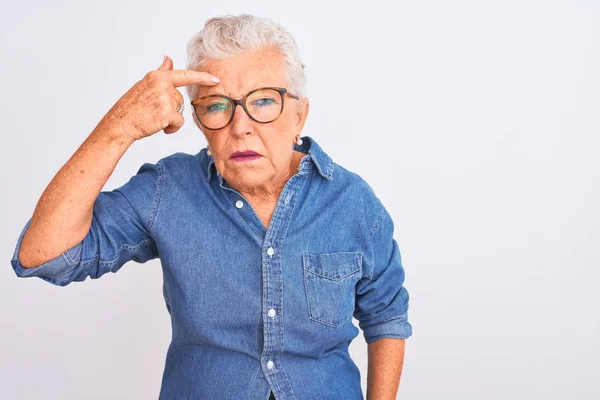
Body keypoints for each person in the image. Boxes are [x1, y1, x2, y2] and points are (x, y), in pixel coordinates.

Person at [10, 14, 412, 400]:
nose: (240, 126)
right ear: (200, 124)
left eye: (264, 101)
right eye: (216, 105)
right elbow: (43, 254)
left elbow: (386, 318)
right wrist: (122, 125)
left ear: (299, 116)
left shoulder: (353, 202)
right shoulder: (168, 190)